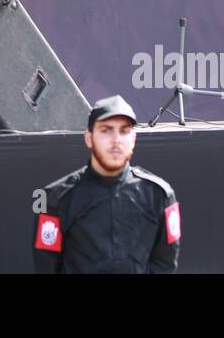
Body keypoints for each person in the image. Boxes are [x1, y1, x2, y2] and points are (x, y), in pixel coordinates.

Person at [32, 96, 179, 274]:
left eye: (124, 131)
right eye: (106, 130)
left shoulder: (159, 195)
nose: (116, 140)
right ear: (89, 137)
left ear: (133, 139)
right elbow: (46, 266)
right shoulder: (56, 198)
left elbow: (165, 263)